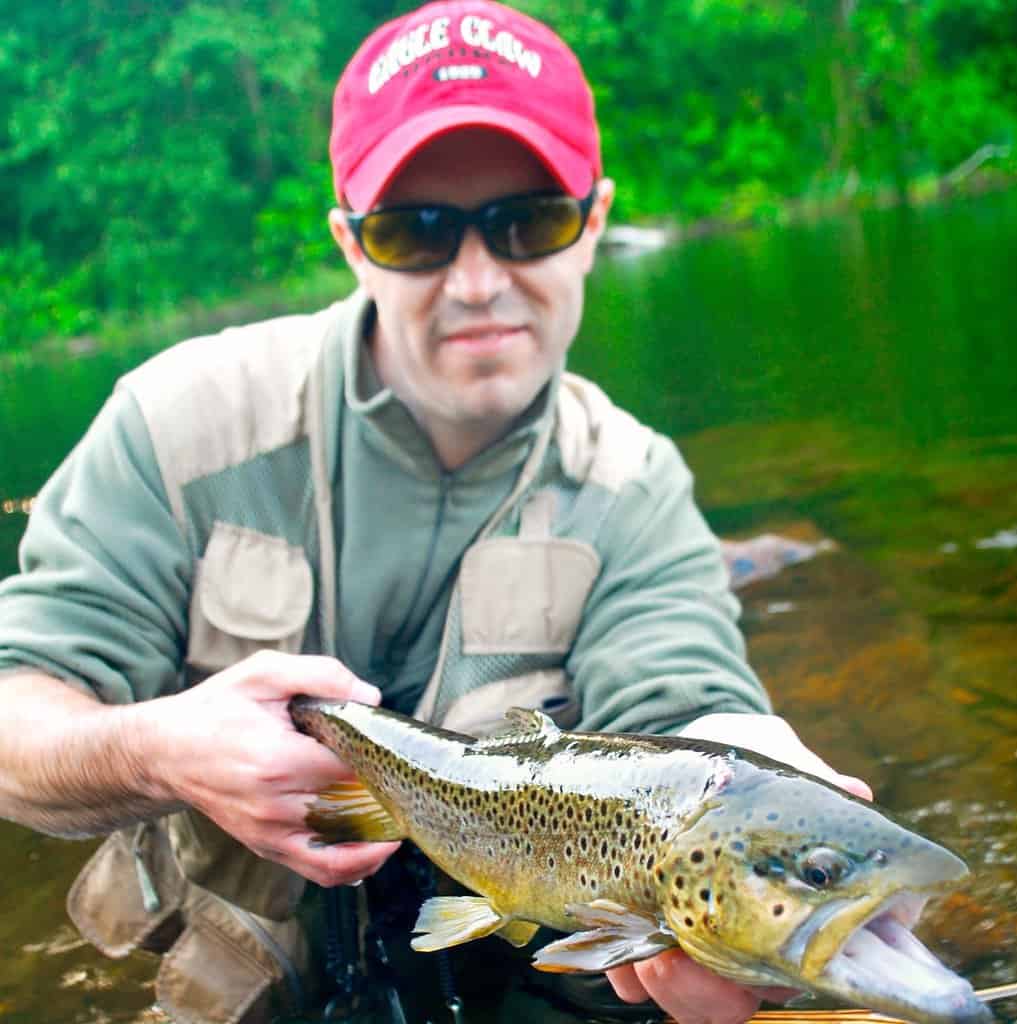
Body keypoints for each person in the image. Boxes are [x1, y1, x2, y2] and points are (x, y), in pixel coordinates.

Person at [0, 2, 870, 1022]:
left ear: (593, 223)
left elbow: (684, 698)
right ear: (349, 241)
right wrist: (156, 747)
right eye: (415, 231)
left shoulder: (635, 488)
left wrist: (754, 773)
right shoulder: (175, 427)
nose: (477, 280)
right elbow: (18, 714)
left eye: (527, 221)